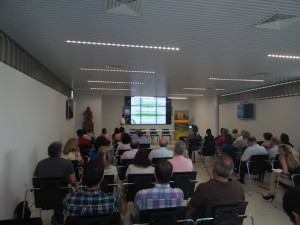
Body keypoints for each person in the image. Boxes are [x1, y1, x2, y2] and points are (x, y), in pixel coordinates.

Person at [187, 154, 244, 219]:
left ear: (213, 169)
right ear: (232, 171)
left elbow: (191, 210)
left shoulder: (204, 188)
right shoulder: (239, 187)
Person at [33, 142, 76, 225]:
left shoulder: (40, 163)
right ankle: (59, 215)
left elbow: (34, 182)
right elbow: (73, 181)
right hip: (62, 196)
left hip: (44, 197)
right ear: (60, 152)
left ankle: (57, 214)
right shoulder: (67, 163)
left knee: (55, 193)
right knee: (69, 189)